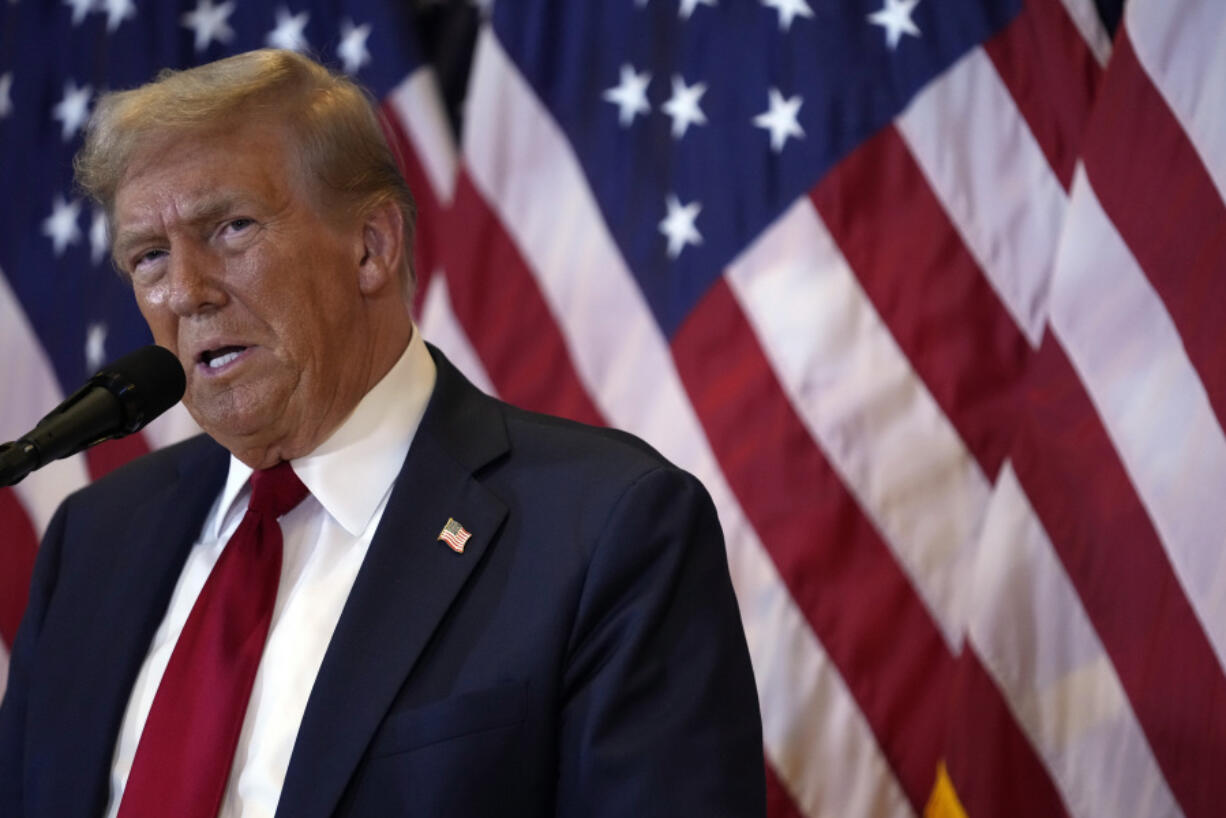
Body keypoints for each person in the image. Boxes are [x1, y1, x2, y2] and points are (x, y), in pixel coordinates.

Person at [0, 49, 764, 818]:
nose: (188, 293)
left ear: (372, 245)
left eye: (231, 227)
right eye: (151, 256)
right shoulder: (93, 542)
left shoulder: (604, 531)